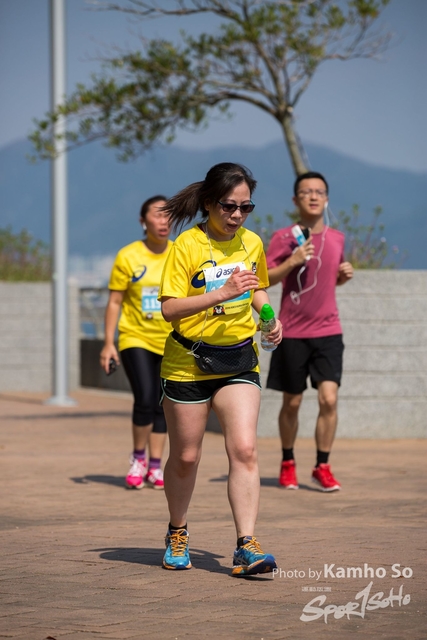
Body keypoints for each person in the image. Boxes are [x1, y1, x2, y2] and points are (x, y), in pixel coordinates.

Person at [158, 162, 282, 575]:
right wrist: (221, 293)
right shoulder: (187, 245)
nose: (237, 215)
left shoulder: (252, 242)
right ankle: (178, 531)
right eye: (229, 206)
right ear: (209, 203)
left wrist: (269, 317)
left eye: (246, 207)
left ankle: (247, 544)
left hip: (238, 359)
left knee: (244, 449)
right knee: (186, 457)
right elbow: (170, 309)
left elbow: (256, 288)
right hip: (188, 362)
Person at [265, 171, 353, 492]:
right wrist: (292, 260)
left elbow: (326, 279)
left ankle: (322, 466)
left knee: (329, 399)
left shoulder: (338, 238)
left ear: (326, 199)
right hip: (292, 333)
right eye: (306, 192)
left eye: (319, 192)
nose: (313, 196)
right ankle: (288, 461)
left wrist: (343, 275)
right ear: (295, 200)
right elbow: (265, 278)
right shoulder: (283, 238)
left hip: (329, 330)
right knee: (292, 403)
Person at [100, 196, 173, 490]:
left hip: (170, 340)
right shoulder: (128, 256)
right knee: (144, 397)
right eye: (157, 214)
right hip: (135, 336)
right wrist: (108, 343)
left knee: (163, 403)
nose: (164, 220)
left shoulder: (179, 253)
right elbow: (114, 302)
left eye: (168, 215)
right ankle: (138, 459)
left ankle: (155, 466)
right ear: (143, 221)